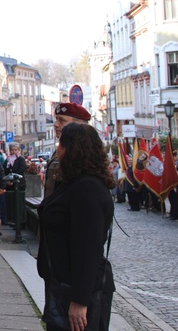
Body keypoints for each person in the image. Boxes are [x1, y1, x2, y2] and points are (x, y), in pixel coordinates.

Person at [37, 123, 115, 331]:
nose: (57, 149)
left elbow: (88, 248)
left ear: (72, 149)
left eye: (60, 144)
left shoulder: (87, 188)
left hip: (77, 291)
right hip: (63, 284)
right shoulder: (75, 183)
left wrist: (80, 301)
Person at [44, 102, 91, 198]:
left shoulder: (84, 153)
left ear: (78, 124)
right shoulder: (60, 151)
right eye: (56, 119)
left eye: (62, 120)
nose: (56, 124)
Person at [3, 143, 28, 225]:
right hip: (10, 185)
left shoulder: (21, 159)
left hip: (19, 184)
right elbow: (4, 171)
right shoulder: (7, 160)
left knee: (19, 204)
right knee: (11, 204)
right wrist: (7, 180)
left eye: (15, 150)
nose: (13, 151)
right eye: (12, 150)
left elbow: (21, 170)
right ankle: (13, 220)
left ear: (18, 150)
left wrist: (13, 179)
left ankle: (20, 222)